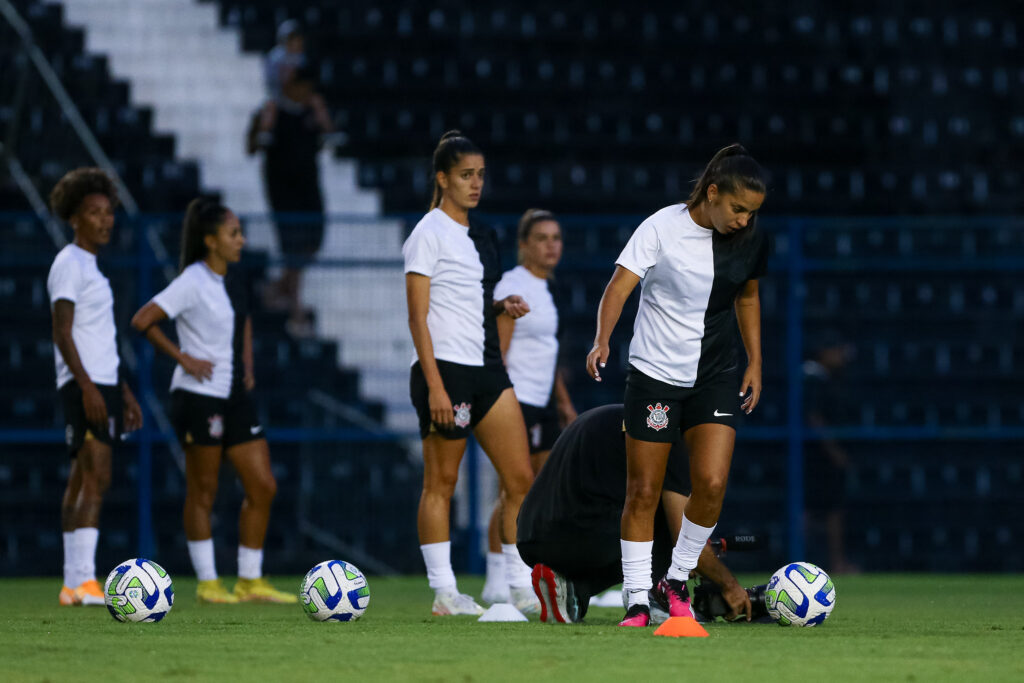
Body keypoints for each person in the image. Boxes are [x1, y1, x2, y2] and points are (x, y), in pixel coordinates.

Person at [585, 143, 769, 626]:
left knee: (710, 483)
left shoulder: (750, 240)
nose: (744, 221)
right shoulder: (660, 227)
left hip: (715, 374)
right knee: (643, 490)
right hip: (655, 376)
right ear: (711, 193)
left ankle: (676, 579)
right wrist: (602, 338)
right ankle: (637, 597)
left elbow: (748, 296)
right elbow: (620, 284)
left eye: (752, 212)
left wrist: (756, 361)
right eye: (737, 209)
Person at [131, 198, 295, 604]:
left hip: (235, 394)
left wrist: (248, 364)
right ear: (210, 241)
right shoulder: (192, 280)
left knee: (263, 485)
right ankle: (207, 582)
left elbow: (244, 322)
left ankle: (250, 580)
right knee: (204, 489)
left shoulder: (231, 280)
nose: (241, 240)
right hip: (199, 397)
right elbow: (142, 320)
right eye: (233, 233)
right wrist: (183, 358)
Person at [403, 131, 539, 616]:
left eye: (480, 175)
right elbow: (418, 316)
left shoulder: (483, 234)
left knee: (521, 477)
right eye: (465, 175)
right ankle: (444, 593)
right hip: (447, 372)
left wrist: (500, 305)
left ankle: (520, 585)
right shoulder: (427, 233)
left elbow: (468, 300)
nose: (475, 184)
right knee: (441, 483)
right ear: (442, 178)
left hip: (487, 369)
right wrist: (435, 383)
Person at [518, 404, 767, 624]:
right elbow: (684, 536)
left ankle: (571, 589)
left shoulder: (628, 417)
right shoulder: (669, 441)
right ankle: (655, 597)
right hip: (576, 537)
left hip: (530, 536)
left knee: (650, 513)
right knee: (666, 526)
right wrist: (730, 587)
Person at [47, 168, 143, 606]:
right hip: (84, 385)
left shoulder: (93, 270)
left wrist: (121, 392)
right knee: (97, 475)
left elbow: (99, 338)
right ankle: (85, 579)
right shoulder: (69, 264)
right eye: (93, 212)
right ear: (74, 218)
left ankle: (72, 583)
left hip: (101, 383)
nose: (105, 220)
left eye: (108, 212)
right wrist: (86, 387)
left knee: (83, 476)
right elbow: (62, 332)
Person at [481, 209, 577, 604]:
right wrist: (501, 403)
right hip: (515, 399)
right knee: (512, 488)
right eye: (541, 238)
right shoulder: (512, 286)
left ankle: (542, 571)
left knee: (542, 490)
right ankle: (496, 578)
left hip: (541, 403)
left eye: (556, 237)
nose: (551, 245)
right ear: (523, 245)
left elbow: (546, 353)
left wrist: (564, 403)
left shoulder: (544, 290)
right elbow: (497, 350)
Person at [252, 66, 332, 336]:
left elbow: (330, 137)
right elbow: (255, 146)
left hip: (309, 187)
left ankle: (277, 288)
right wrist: (264, 125)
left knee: (312, 242)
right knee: (294, 246)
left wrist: (322, 116)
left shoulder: (312, 111)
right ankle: (296, 310)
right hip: (283, 190)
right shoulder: (273, 110)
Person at [804, 332, 859, 574]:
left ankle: (828, 562)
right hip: (813, 457)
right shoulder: (811, 377)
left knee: (827, 509)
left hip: (815, 455)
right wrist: (834, 451)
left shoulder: (823, 378)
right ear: (824, 352)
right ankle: (830, 563)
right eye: (836, 350)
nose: (841, 356)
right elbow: (813, 417)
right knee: (821, 510)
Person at [264, 20, 306, 101]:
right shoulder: (275, 57)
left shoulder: (302, 57)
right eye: (292, 39)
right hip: (279, 96)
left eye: (298, 39)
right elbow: (272, 82)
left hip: (298, 96)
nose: (296, 42)